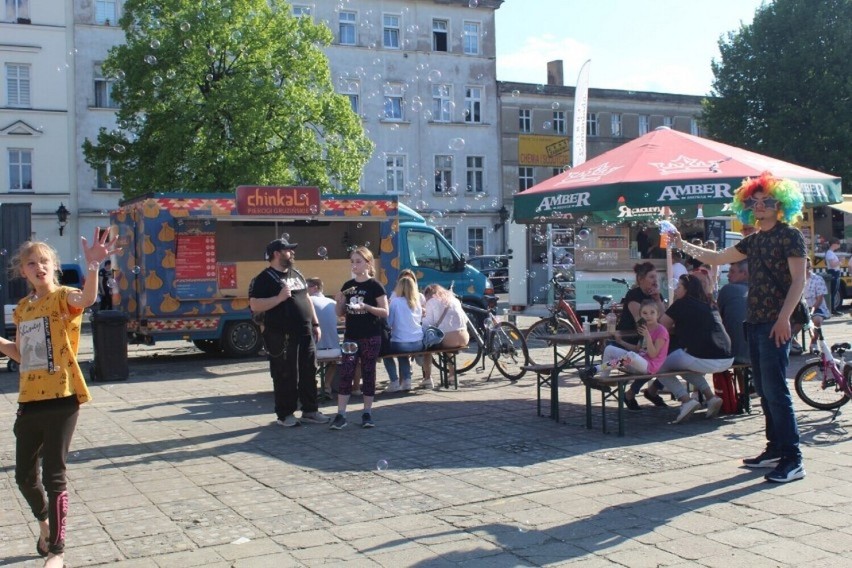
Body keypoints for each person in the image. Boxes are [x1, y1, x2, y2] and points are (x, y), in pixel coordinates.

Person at [673, 171, 807, 483]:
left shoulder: (790, 235)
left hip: (777, 322)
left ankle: (793, 458)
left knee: (776, 391)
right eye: (755, 201)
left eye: (768, 201)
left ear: (781, 204)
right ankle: (775, 449)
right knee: (763, 389)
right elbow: (717, 257)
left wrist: (784, 318)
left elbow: (799, 280)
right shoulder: (754, 239)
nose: (760, 205)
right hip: (756, 321)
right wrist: (683, 245)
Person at [0, 231, 115, 568]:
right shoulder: (22, 308)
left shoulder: (64, 297)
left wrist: (93, 265)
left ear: (54, 267)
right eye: (31, 262)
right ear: (23, 271)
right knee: (23, 476)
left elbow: (88, 299)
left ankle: (57, 551)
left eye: (44, 261)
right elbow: (21, 354)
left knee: (54, 474)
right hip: (29, 399)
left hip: (62, 397)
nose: (38, 266)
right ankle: (45, 525)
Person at [249, 238, 328, 428]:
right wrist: (278, 298)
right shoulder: (264, 278)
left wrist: (315, 324)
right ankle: (285, 414)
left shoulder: (297, 274)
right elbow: (255, 304)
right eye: (288, 250)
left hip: (305, 331)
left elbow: (307, 298)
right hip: (281, 335)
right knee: (286, 374)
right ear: (277, 253)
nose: (292, 253)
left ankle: (310, 410)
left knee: (309, 371)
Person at [656, 274, 732, 423]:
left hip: (703, 357)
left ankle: (685, 400)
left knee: (658, 366)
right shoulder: (711, 303)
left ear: (687, 289)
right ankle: (711, 398)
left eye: (679, 287)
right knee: (685, 365)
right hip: (727, 357)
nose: (676, 290)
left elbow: (661, 326)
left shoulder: (681, 303)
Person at [332, 246, 389, 429]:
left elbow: (385, 312)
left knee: (368, 372)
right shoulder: (348, 286)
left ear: (368, 263)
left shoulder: (375, 286)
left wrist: (367, 307)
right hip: (351, 336)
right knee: (346, 371)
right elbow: (340, 313)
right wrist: (339, 302)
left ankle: (367, 413)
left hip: (371, 336)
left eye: (358, 261)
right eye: (352, 262)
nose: (354, 265)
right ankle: (341, 414)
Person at [580, 300, 669, 400]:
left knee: (631, 356)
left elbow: (653, 355)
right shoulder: (644, 328)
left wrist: (647, 336)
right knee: (609, 349)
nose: (648, 316)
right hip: (636, 362)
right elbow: (638, 349)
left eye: (652, 312)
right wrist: (621, 342)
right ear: (640, 315)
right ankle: (603, 380)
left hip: (650, 368)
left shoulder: (661, 331)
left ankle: (594, 369)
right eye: (645, 313)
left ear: (658, 314)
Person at [614, 262, 668, 409]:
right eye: (651, 277)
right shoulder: (633, 295)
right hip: (631, 341)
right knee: (658, 360)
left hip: (648, 341)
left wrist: (657, 299)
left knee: (669, 359)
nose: (655, 280)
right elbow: (643, 322)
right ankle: (634, 393)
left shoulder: (657, 296)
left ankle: (648, 390)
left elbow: (664, 319)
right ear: (641, 279)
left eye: (656, 277)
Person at [421, 284, 470, 389]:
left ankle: (427, 378)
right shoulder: (454, 300)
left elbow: (426, 325)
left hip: (448, 339)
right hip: (464, 337)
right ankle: (452, 375)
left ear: (428, 294)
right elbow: (465, 319)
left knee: (427, 347)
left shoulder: (431, 302)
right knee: (447, 349)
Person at [384, 276, 424, 392]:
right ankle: (407, 381)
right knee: (403, 354)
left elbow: (389, 323)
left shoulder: (395, 302)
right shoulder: (417, 303)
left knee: (386, 353)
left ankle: (394, 381)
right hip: (418, 342)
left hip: (401, 343)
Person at [307, 277, 340, 400]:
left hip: (316, 350)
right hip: (334, 350)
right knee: (333, 362)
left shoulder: (308, 301)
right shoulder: (332, 302)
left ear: (314, 287)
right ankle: (326, 386)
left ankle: (311, 387)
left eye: (307, 287)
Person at [792, 258, 830, 353]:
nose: (807, 269)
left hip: (815, 307)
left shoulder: (818, 279)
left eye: (809, 266)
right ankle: (791, 341)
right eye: (805, 267)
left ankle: (813, 342)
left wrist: (811, 312)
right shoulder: (795, 279)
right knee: (794, 322)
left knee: (816, 320)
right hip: (800, 308)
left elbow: (819, 299)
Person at [717, 260, 750, 365]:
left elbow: (716, 318)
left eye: (732, 271)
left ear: (744, 274)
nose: (728, 274)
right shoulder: (759, 291)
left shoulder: (728, 289)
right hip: (758, 354)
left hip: (733, 354)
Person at [824, 237, 842, 315]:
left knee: (834, 292)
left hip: (835, 273)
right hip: (833, 273)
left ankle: (832, 309)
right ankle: (832, 310)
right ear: (834, 244)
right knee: (832, 292)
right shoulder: (829, 253)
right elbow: (832, 264)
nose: (839, 245)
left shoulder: (831, 253)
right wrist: (840, 261)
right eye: (838, 243)